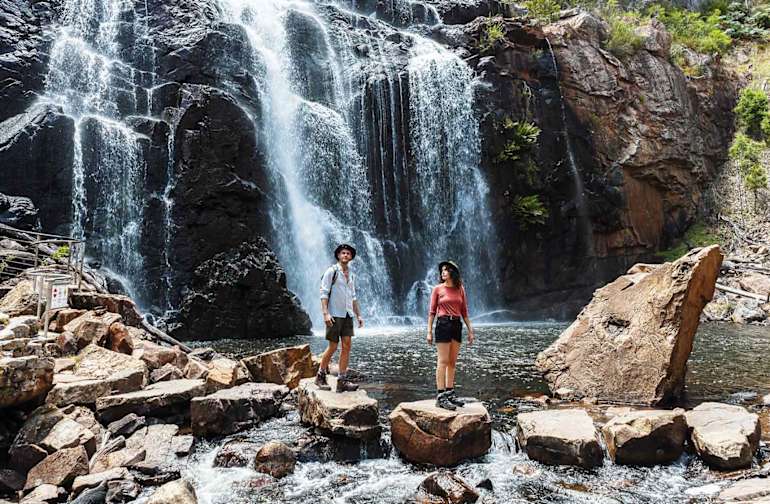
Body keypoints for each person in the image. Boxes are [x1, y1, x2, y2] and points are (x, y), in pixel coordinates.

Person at [315, 243, 364, 393]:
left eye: (348, 254)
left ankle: (341, 380)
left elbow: (353, 297)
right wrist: (325, 313)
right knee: (333, 346)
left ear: (351, 257)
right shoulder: (332, 272)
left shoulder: (352, 275)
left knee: (347, 346)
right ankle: (320, 375)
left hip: (348, 314)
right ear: (338, 255)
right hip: (334, 314)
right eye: (343, 253)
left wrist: (359, 315)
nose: (345, 255)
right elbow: (323, 293)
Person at [427, 260, 475, 410]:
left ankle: (450, 393)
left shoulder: (460, 289)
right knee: (443, 361)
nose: (443, 272)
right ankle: (440, 396)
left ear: (452, 272)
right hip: (443, 324)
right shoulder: (437, 289)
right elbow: (432, 312)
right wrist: (429, 331)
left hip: (456, 325)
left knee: (452, 362)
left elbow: (464, 311)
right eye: (441, 270)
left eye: (446, 269)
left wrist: (470, 331)